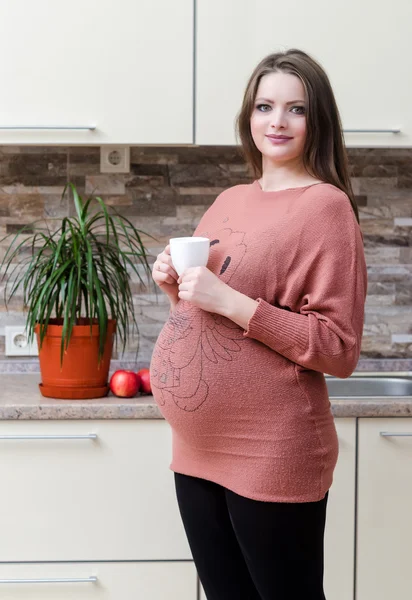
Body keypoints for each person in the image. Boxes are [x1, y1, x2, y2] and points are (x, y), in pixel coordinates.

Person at [149, 48, 367, 600]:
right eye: (265, 106)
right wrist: (175, 285)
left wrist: (230, 302)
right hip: (196, 447)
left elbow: (338, 348)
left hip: (270, 449)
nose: (277, 121)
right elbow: (202, 309)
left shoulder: (325, 207)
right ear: (248, 116)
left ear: (317, 121)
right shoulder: (229, 198)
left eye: (295, 109)